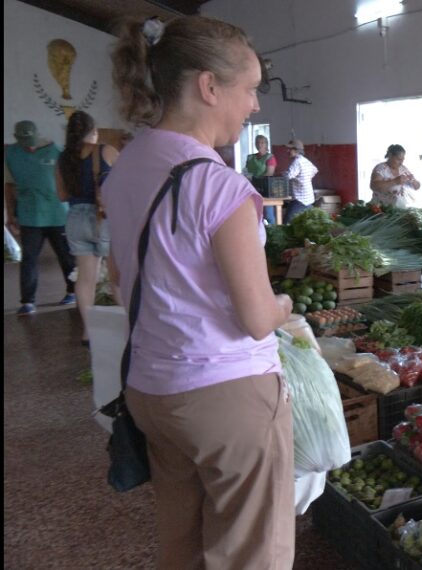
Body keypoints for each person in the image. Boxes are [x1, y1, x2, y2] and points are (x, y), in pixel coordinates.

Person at [106, 15, 294, 568]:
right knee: (250, 553)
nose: (255, 105)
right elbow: (258, 317)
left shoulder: (126, 167)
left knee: (182, 542)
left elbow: (121, 279)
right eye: (251, 89)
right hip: (226, 399)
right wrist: (285, 305)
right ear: (209, 87)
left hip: (151, 388)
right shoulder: (221, 186)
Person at [55, 110, 122, 345]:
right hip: (102, 218)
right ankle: (130, 325)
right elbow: (126, 183)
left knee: (85, 278)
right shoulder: (105, 151)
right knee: (117, 277)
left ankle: (88, 331)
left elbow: (62, 195)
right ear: (93, 131)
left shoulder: (63, 158)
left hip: (74, 218)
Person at [4, 120, 77, 315]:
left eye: (32, 140)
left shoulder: (56, 150)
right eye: (24, 141)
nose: (29, 145)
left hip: (58, 214)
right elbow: (9, 186)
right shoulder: (11, 154)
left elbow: (70, 180)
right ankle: (28, 301)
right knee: (28, 259)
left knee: (66, 256)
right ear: (17, 138)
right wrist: (10, 215)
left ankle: (73, 291)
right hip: (30, 215)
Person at [370, 144, 421, 208]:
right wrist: (394, 181)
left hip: (398, 207)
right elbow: (374, 186)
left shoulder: (403, 169)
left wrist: (413, 181)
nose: (401, 162)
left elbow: (417, 187)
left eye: (403, 160)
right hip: (381, 208)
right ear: (390, 155)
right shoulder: (381, 168)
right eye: (398, 159)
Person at [245, 134, 279, 224]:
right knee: (253, 214)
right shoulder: (250, 157)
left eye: (262, 142)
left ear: (266, 144)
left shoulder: (270, 157)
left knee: (268, 215)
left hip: (265, 189)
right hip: (251, 189)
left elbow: (269, 174)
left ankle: (272, 232)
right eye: (258, 142)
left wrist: (255, 178)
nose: (260, 144)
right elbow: (246, 171)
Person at [283, 138, 317, 223]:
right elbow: (314, 170)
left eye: (290, 149)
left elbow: (287, 177)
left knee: (286, 223)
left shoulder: (297, 162)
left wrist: (283, 174)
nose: (288, 151)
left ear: (296, 150)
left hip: (300, 200)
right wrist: (304, 178)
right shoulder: (306, 161)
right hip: (309, 199)